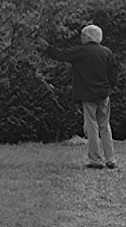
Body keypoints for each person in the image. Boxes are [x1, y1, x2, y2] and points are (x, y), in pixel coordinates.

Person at [41, 24, 118, 169]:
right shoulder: (107, 52)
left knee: (92, 126)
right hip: (103, 94)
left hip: (88, 94)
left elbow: (61, 55)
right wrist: (109, 88)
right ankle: (111, 159)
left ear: (88, 37)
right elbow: (113, 74)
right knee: (105, 126)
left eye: (83, 35)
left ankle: (96, 159)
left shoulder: (81, 52)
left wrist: (47, 47)